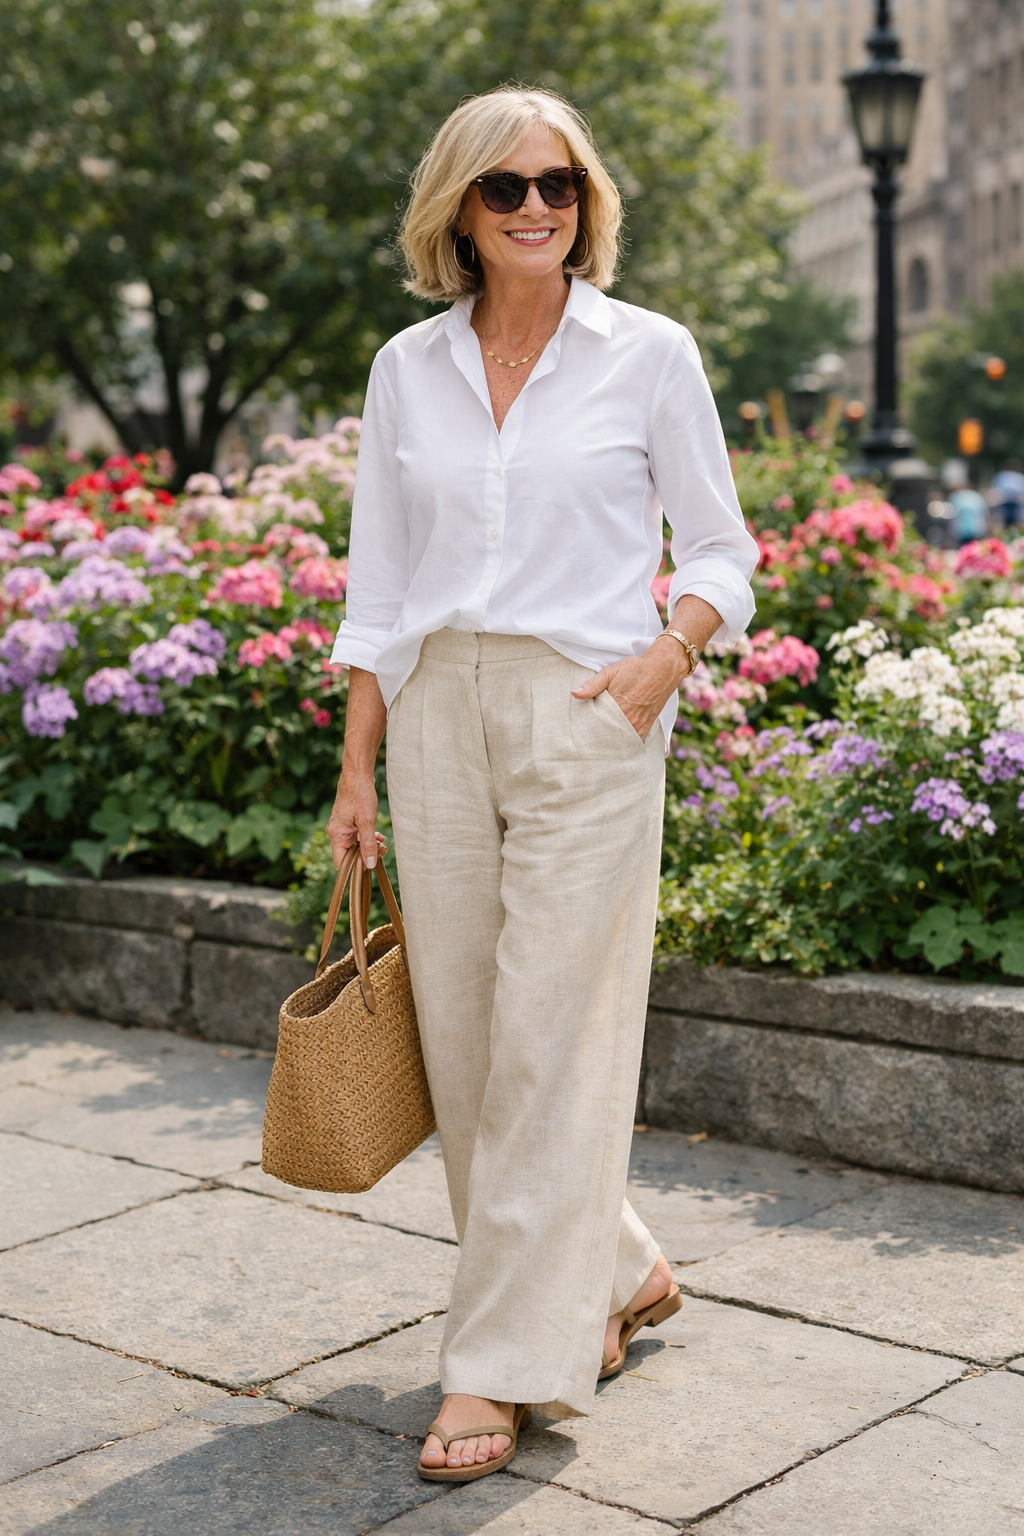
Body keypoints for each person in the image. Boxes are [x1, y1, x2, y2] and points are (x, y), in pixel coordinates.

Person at [326, 86, 757, 1482]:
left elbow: (720, 552)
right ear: (459, 205)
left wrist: (660, 664)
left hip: (588, 709)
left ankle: (499, 1368)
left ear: (588, 203)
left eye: (558, 186)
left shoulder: (649, 356)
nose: (534, 210)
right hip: (439, 701)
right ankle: (619, 1265)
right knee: (463, 1035)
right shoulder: (408, 368)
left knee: (550, 1037)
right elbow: (379, 583)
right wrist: (356, 763)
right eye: (505, 188)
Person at [991, 459, 1024, 529]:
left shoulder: (1019, 477)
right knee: (1003, 522)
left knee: (1016, 523)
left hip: (1016, 503)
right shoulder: (1002, 476)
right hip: (1003, 503)